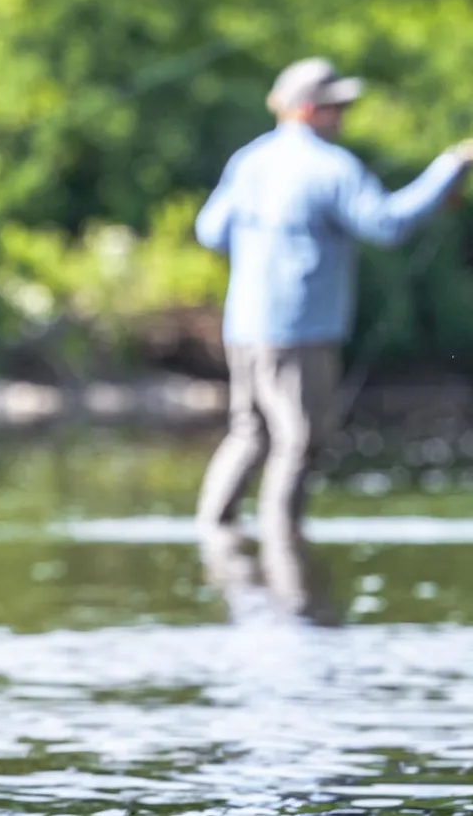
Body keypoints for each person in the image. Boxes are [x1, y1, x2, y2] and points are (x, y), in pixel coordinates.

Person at [194, 56, 471, 537]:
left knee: (249, 432)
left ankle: (212, 534)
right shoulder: (331, 167)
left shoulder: (249, 160)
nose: (342, 115)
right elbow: (387, 225)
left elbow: (210, 231)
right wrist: (449, 168)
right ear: (304, 110)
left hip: (243, 325)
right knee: (299, 441)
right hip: (301, 330)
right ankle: (284, 545)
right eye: (333, 107)